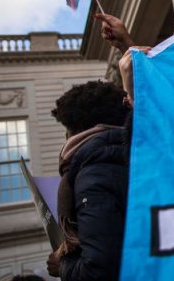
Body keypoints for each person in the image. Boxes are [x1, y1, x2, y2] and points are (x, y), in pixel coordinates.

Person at [46, 81, 130, 281]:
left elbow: (99, 271)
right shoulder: (124, 155)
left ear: (77, 130)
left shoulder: (94, 172)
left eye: (66, 129)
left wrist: (63, 266)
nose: (65, 138)